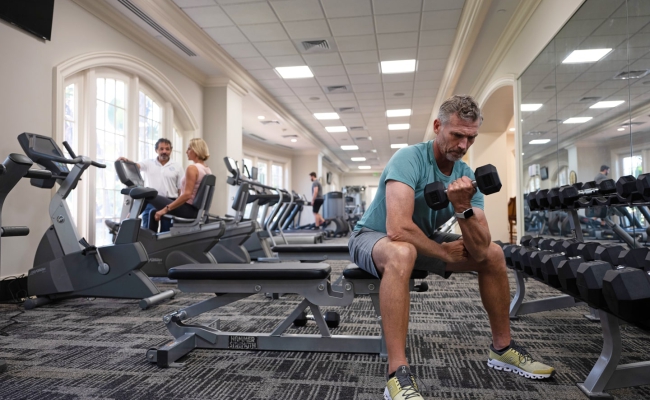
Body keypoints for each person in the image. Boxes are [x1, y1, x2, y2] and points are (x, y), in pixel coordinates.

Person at [348, 95, 555, 400]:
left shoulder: (466, 175)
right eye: (456, 135)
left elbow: (482, 248)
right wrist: (443, 252)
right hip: (373, 236)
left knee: (495, 255)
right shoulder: (409, 158)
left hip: (421, 240)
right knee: (402, 251)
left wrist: (462, 207)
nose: (462, 145)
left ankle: (502, 348)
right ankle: (397, 373)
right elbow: (398, 228)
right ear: (437, 127)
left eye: (470, 137)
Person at [141, 138, 212, 232]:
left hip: (187, 209)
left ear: (196, 150)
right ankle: (150, 241)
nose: (187, 152)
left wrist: (165, 209)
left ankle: (129, 218)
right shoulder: (206, 169)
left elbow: (187, 195)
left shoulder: (192, 168)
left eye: (189, 149)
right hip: (195, 211)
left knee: (148, 194)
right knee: (153, 212)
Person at [116, 138, 183, 232]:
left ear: (171, 150)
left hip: (169, 202)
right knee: (148, 232)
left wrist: (177, 206)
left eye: (167, 149)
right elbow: (135, 166)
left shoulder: (177, 167)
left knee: (166, 234)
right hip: (150, 202)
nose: (164, 151)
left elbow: (180, 188)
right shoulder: (149, 162)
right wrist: (126, 160)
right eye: (161, 149)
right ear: (156, 150)